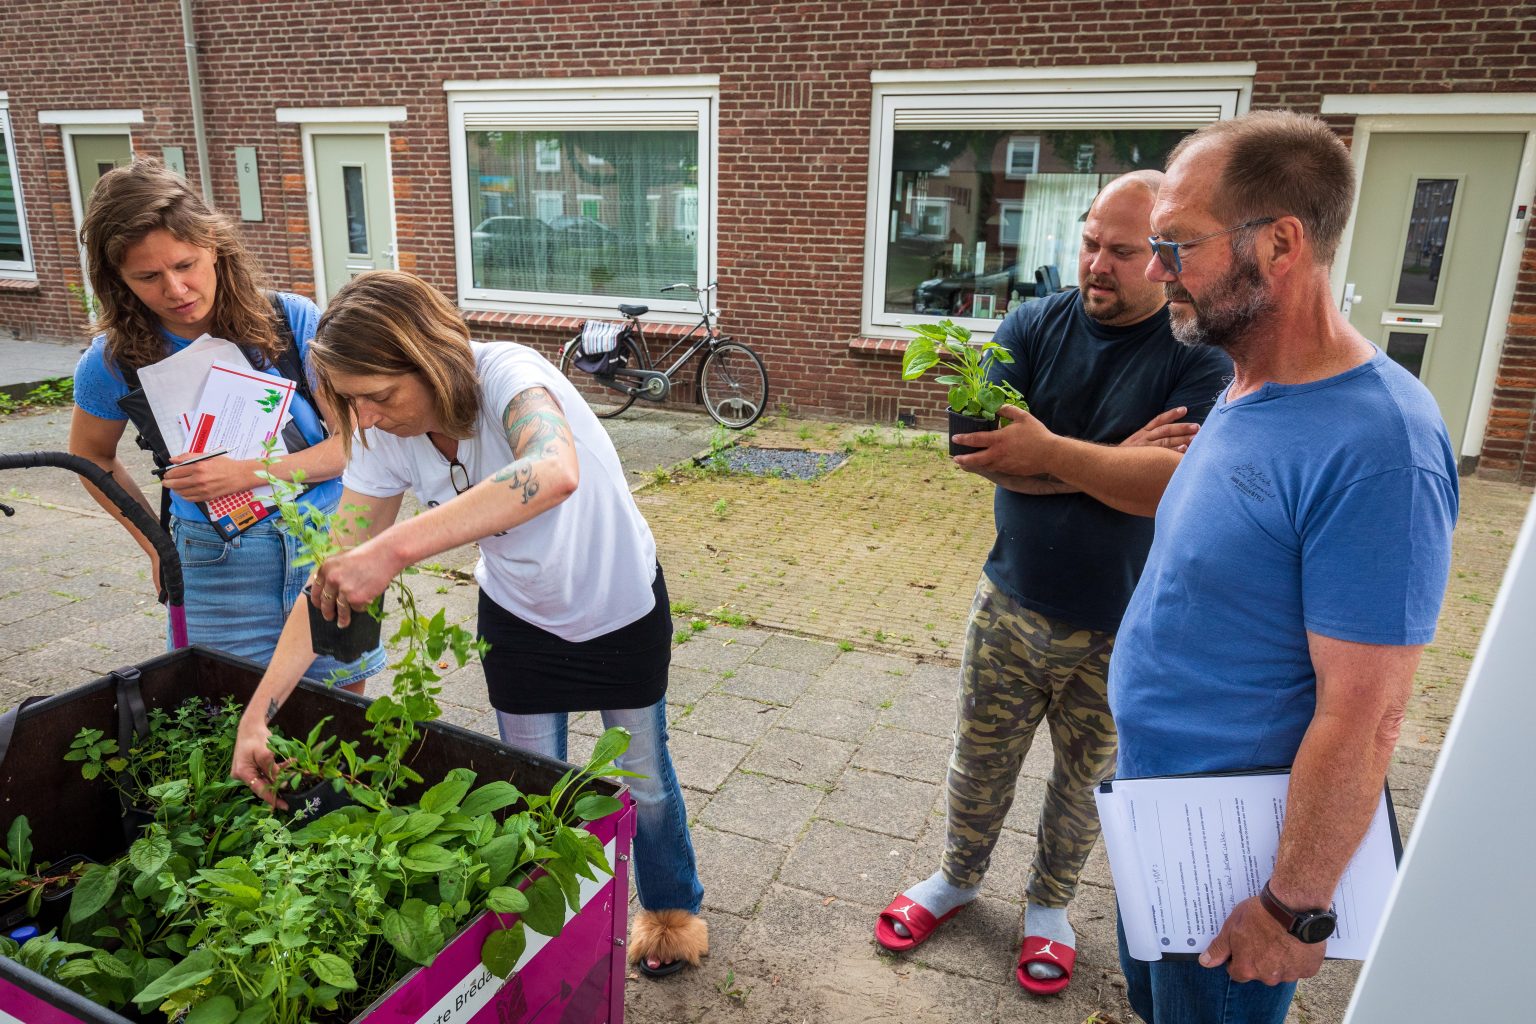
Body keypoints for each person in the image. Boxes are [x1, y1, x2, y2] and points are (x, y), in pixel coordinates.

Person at [975, 111, 1459, 1023]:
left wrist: (1292, 909)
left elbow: (1367, 716)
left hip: (1238, 862)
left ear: (1281, 243)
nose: (1157, 271)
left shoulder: (1380, 447)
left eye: (1177, 245)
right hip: (1159, 819)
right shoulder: (1243, 381)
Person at [228, 270, 708, 977]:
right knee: (530, 782)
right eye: (351, 401)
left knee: (642, 778)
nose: (366, 419)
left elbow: (553, 469)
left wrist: (390, 549)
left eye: (380, 396)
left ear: (427, 357)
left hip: (618, 605)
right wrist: (258, 712)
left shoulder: (510, 374)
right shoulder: (382, 437)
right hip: (518, 616)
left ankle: (671, 910)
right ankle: (558, 933)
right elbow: (331, 583)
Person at [874, 171, 1233, 997]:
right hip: (1012, 601)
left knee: (1086, 780)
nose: (1098, 264)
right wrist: (1111, 457)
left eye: (1124, 250)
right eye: (1090, 243)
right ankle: (958, 880)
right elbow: (974, 447)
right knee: (980, 760)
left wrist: (1050, 451)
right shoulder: (1032, 323)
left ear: (1165, 259)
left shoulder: (1201, 354)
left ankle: (1050, 909)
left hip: (1125, 623)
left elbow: (1171, 486)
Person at [69, 159, 382, 692]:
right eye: (148, 277)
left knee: (342, 715)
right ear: (117, 281)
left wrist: (249, 473)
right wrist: (154, 544)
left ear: (215, 246)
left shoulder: (290, 319)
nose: (176, 289)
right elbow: (90, 457)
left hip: (328, 542)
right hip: (216, 563)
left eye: (186, 264)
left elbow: (357, 443)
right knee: (224, 720)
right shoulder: (112, 361)